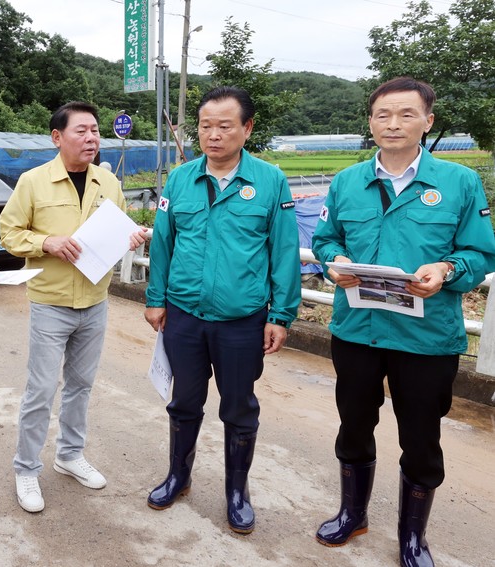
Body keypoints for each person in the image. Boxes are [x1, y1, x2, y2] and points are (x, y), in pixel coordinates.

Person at [311, 77, 495, 567]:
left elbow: (480, 252)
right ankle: (353, 514)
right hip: (358, 331)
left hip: (426, 338)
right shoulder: (347, 182)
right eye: (383, 115)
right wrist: (333, 261)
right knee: (354, 426)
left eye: (406, 114)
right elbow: (326, 239)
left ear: (427, 121)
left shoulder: (458, 182)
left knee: (420, 439)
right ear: (371, 122)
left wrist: (447, 269)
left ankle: (412, 537)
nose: (393, 124)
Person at [144, 86, 301, 534]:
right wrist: (155, 298)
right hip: (184, 315)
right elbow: (164, 242)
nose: (213, 135)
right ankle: (178, 476)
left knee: (239, 406)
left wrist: (280, 315)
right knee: (183, 402)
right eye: (205, 126)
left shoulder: (269, 181)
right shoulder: (181, 179)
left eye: (225, 126)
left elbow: (284, 250)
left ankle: (237, 491)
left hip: (242, 320)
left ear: (246, 128)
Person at [0, 101, 147, 513]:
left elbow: (119, 230)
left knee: (81, 385)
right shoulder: (33, 182)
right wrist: (45, 242)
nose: (91, 138)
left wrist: (132, 237)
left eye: (95, 130)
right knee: (42, 389)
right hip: (51, 302)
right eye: (81, 131)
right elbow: (10, 234)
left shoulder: (108, 181)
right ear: (57, 137)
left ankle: (69, 454)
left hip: (95, 301)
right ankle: (26, 468)